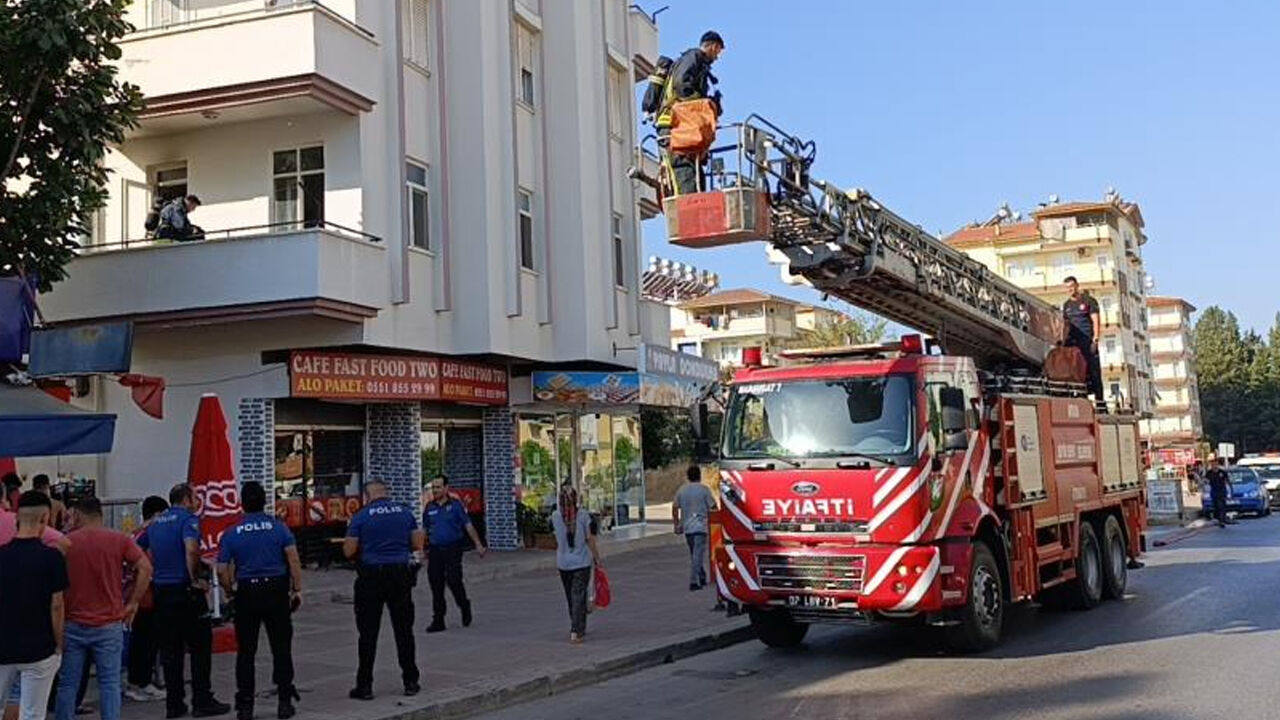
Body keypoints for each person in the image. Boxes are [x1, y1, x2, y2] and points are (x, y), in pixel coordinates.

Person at [54, 497, 152, 720]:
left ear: (78, 514)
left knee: (68, 684)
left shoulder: (65, 543)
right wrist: (133, 602)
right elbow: (145, 568)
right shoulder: (119, 540)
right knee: (109, 683)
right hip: (109, 623)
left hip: (72, 623)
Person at [138, 484, 230, 719]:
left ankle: (174, 703)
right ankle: (202, 699)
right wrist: (195, 578)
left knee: (171, 649)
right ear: (187, 499)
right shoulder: (188, 520)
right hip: (185, 591)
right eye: (196, 496)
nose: (199, 500)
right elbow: (191, 549)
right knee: (200, 646)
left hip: (162, 591)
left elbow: (136, 547)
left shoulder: (156, 522)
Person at [216, 482, 302, 720]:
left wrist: (230, 591)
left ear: (242, 503)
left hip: (247, 593)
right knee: (281, 648)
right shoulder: (279, 528)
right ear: (264, 501)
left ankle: (245, 706)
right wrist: (297, 589)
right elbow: (293, 560)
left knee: (246, 651)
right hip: (276, 590)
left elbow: (221, 569)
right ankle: (284, 702)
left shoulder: (232, 532)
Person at [342, 481, 422, 700]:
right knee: (404, 631)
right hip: (399, 575)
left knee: (367, 634)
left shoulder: (361, 516)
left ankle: (364, 686)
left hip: (371, 576)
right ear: (387, 493)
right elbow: (417, 543)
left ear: (367, 496)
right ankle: (411, 681)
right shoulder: (405, 513)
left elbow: (349, 550)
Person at [0, 492, 69, 720]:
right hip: (40, 647)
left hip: (3, 645)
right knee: (32, 713)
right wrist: (59, 644)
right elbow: (57, 606)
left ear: (17, 519)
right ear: (45, 518)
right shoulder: (52, 558)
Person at [656, 30, 725, 196]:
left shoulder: (699, 65)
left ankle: (696, 206)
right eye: (718, 51)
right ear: (712, 46)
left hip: (684, 128)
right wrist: (703, 104)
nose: (717, 56)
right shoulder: (693, 58)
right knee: (683, 170)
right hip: (674, 127)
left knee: (695, 173)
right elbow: (682, 86)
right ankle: (688, 209)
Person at [422, 476, 486, 634]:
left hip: (453, 548)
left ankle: (464, 605)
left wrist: (478, 544)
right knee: (436, 584)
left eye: (438, 487)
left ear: (446, 488)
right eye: (433, 488)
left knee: (453, 580)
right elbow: (425, 529)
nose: (435, 490)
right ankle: (438, 620)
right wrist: (421, 548)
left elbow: (468, 525)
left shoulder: (456, 506)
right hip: (435, 550)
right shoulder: (429, 507)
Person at [124, 497, 168, 703]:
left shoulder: (136, 533)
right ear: (158, 514)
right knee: (147, 641)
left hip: (137, 594)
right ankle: (141, 683)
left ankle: (139, 681)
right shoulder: (149, 535)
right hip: (146, 595)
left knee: (142, 640)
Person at [551, 486, 602, 645]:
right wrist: (597, 558)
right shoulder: (583, 516)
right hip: (581, 562)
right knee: (579, 595)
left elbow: (556, 537)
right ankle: (576, 630)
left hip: (563, 563)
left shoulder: (555, 516)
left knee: (571, 597)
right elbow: (590, 539)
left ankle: (579, 625)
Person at [1060, 276, 1105, 409]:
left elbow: (1096, 320)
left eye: (1072, 286)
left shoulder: (1088, 301)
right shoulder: (1067, 305)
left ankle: (1101, 404)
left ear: (1077, 286)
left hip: (1087, 340)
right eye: (1067, 288)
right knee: (1076, 373)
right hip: (1073, 343)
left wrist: (1095, 339)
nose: (1070, 289)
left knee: (1094, 371)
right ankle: (1082, 401)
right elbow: (1066, 325)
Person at [672, 465, 718, 591]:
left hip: (687, 528)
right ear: (699, 475)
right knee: (697, 555)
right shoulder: (704, 490)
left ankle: (702, 576)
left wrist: (676, 524)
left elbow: (675, 507)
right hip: (700, 526)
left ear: (688, 476)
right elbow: (713, 507)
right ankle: (693, 581)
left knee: (694, 554)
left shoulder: (682, 490)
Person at [1206, 457, 1235, 528]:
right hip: (1214, 491)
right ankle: (1219, 519)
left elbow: (1228, 481)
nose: (1214, 466)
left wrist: (1231, 491)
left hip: (1222, 491)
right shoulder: (1209, 473)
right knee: (1216, 506)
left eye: (1215, 464)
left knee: (1221, 506)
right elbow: (1205, 481)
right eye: (1212, 464)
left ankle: (1222, 520)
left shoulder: (1222, 472)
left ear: (1218, 465)